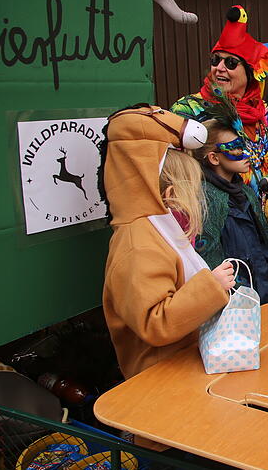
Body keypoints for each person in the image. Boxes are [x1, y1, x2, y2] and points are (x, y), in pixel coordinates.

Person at [100, 105, 234, 448]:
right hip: (161, 398)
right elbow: (155, 322)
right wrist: (210, 288)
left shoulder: (157, 231)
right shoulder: (138, 244)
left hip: (180, 384)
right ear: (170, 194)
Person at [170, 5, 268, 195]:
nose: (220, 68)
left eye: (230, 63)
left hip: (263, 218)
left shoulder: (266, 113)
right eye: (216, 60)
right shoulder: (187, 111)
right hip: (217, 217)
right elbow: (176, 173)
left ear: (250, 73)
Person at [193, 119, 268, 304]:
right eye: (236, 148)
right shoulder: (205, 201)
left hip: (263, 291)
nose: (246, 154)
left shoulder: (246, 193)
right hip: (235, 304)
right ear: (214, 158)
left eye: (244, 145)